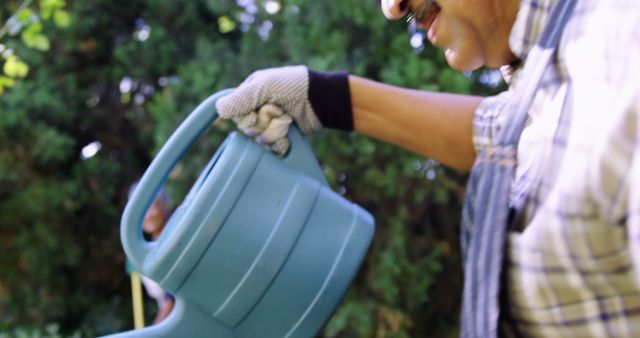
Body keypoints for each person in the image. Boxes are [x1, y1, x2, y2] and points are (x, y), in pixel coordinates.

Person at [215, 0, 640, 337]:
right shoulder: (558, 69)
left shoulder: (620, 51)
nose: (392, 7)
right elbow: (500, 139)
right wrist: (321, 97)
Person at [128, 184, 175, 325]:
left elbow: (173, 298)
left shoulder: (174, 239)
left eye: (150, 206)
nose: (146, 215)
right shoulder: (150, 248)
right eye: (140, 211)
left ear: (165, 204)